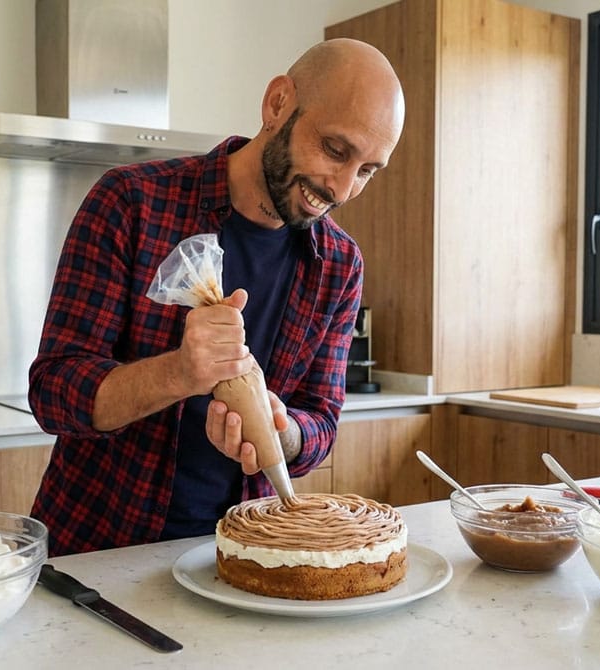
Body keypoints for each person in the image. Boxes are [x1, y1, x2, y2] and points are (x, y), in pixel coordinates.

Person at [28, 38, 406, 556]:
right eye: (335, 150)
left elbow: (321, 418)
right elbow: (53, 392)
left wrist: (281, 430)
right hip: (97, 555)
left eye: (366, 171)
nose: (341, 189)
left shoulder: (339, 265)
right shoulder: (131, 202)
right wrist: (180, 373)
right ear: (278, 104)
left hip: (239, 556)